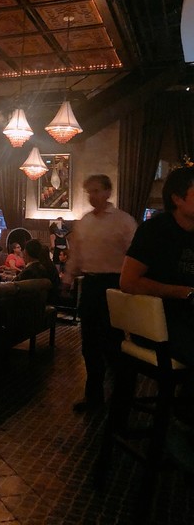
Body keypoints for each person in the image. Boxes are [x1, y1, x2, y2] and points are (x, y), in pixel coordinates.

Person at [120, 167, 194, 422]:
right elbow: (128, 282)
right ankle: (180, 424)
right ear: (177, 198)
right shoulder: (155, 230)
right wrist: (184, 293)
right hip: (156, 324)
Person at [63, 174, 137, 413]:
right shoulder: (85, 221)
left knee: (114, 343)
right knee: (89, 344)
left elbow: (135, 254)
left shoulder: (124, 221)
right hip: (91, 285)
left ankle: (121, 397)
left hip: (115, 284)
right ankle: (93, 396)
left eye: (96, 191)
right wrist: (68, 277)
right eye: (89, 192)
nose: (92, 196)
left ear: (108, 192)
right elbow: (76, 254)